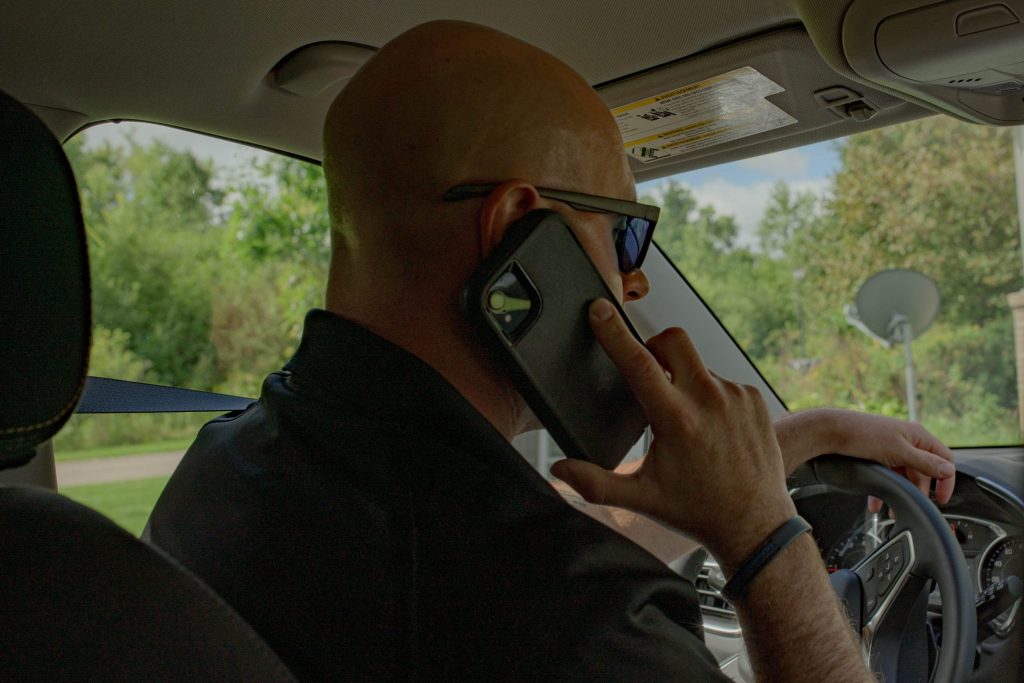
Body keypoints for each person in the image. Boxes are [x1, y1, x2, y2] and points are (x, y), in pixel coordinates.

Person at [146, 20, 957, 681]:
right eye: (623, 234)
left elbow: (541, 545)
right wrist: (766, 541)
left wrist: (799, 436)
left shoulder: (233, 463)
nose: (633, 285)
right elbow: (544, 584)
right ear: (515, 234)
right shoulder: (567, 627)